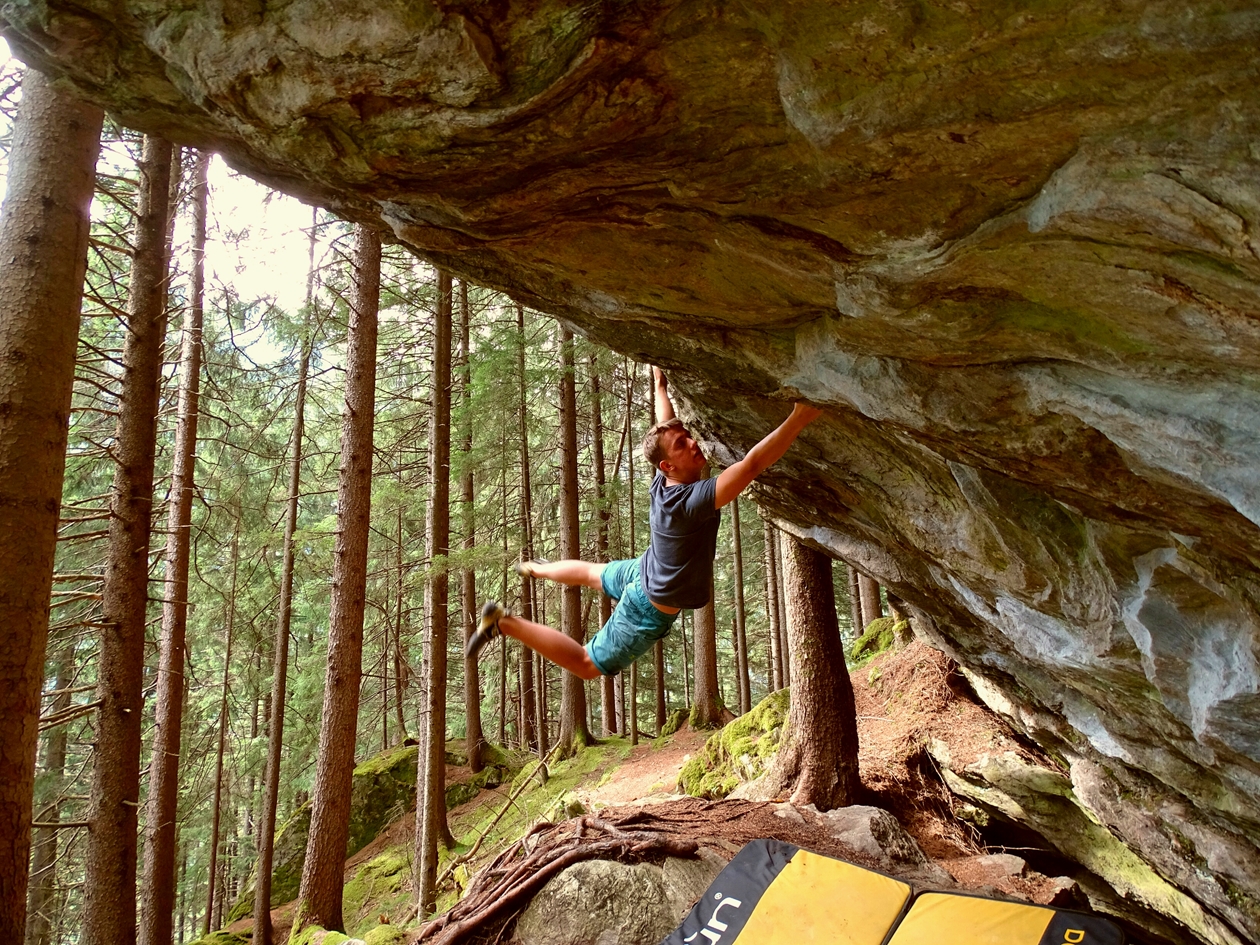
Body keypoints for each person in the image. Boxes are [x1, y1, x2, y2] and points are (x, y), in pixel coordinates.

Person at [466, 367, 822, 679]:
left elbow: (662, 427)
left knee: (593, 573)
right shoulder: (691, 501)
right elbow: (750, 466)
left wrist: (660, 387)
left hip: (645, 570)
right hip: (648, 602)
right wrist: (799, 418)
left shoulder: (664, 482)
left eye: (688, 438)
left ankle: (538, 569)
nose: (694, 444)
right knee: (587, 663)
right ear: (668, 465)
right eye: (684, 444)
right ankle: (503, 622)